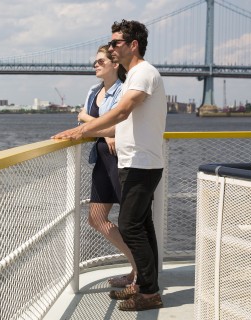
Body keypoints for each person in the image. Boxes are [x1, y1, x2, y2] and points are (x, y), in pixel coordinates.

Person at [52, 19, 167, 311]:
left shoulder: (142, 73)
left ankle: (149, 292)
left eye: (116, 43)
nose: (112, 47)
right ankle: (145, 286)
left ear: (133, 45)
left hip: (141, 163)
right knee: (142, 225)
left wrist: (81, 130)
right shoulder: (135, 75)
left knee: (130, 226)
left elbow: (122, 111)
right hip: (136, 161)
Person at [79, 45, 136, 288]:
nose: (95, 64)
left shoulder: (124, 91)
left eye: (101, 61)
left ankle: (138, 272)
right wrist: (105, 133)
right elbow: (80, 117)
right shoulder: (93, 91)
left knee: (131, 222)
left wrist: (98, 127)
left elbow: (118, 127)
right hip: (102, 160)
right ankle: (137, 266)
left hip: (122, 161)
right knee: (96, 219)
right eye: (95, 61)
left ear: (115, 65)